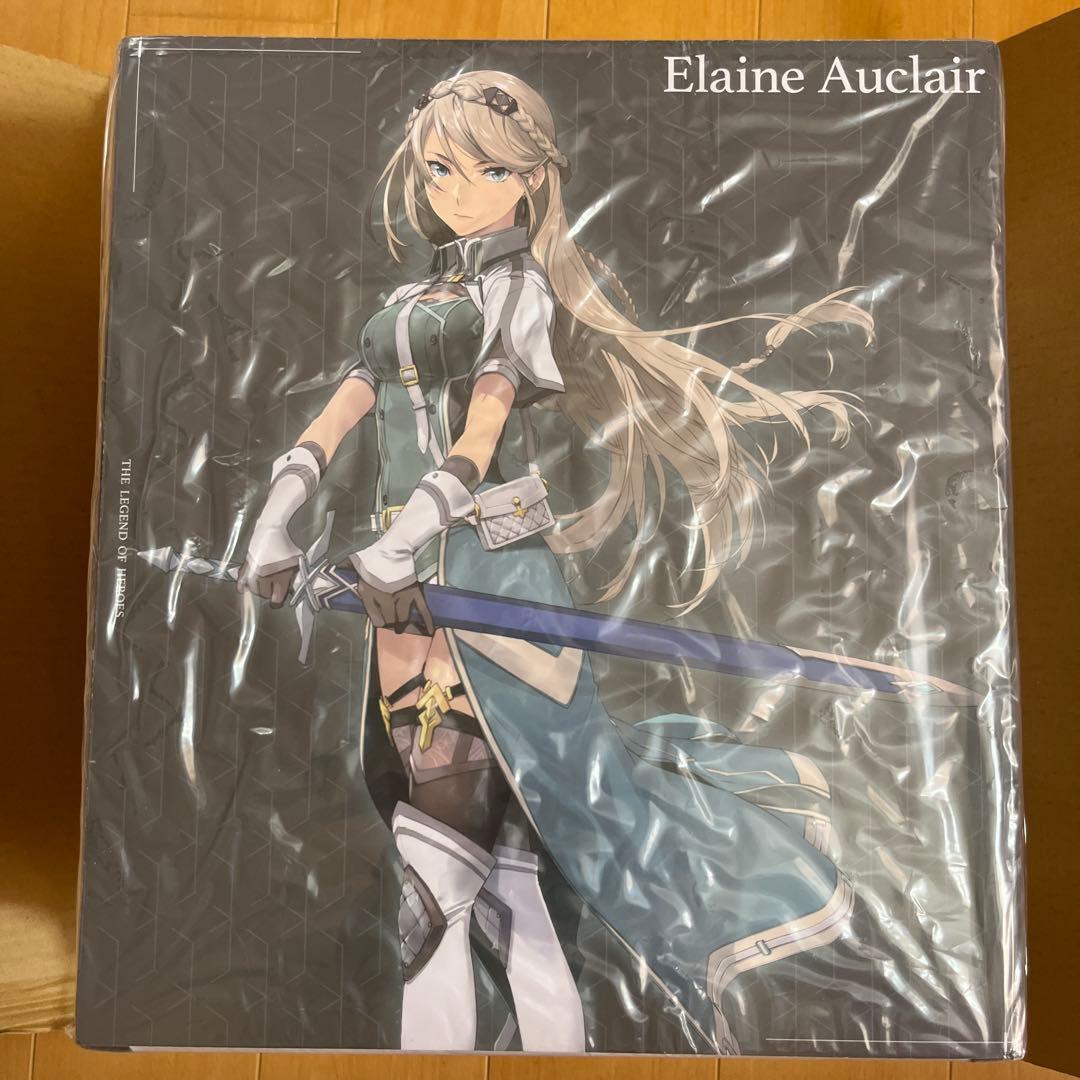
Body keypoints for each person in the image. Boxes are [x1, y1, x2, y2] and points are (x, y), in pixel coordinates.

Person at [238, 69, 873, 1054]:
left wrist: (405, 540)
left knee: (444, 879)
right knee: (501, 890)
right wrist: (276, 517)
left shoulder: (518, 291)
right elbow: (340, 415)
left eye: (487, 169)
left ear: (531, 179)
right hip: (408, 595)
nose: (458, 189)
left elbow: (481, 433)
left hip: (492, 583)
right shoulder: (409, 298)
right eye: (440, 167)